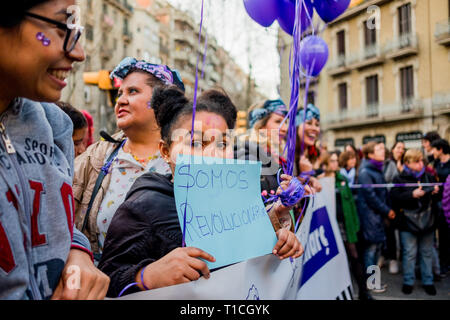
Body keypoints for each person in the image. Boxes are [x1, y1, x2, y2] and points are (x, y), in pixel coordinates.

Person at [98, 86, 304, 297]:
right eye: (196, 142)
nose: (212, 153)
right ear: (165, 151)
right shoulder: (142, 206)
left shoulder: (239, 200)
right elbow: (104, 280)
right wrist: (146, 276)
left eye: (223, 143)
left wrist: (277, 240)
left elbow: (249, 253)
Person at [0, 0, 109, 299]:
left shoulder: (54, 123)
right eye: (63, 28)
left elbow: (56, 224)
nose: (78, 53)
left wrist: (77, 251)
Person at [73, 57, 185, 262]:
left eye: (132, 91)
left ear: (164, 101)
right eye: (119, 93)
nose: (121, 101)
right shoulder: (96, 157)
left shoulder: (187, 157)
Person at [320, 152, 372, 300]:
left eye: (336, 161)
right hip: (329, 226)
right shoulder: (320, 181)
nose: (335, 163)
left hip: (345, 226)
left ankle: (364, 292)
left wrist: (355, 224)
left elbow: (350, 204)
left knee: (355, 257)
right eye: (332, 160)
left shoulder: (341, 179)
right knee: (335, 260)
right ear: (325, 163)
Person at [390, 149, 440, 295]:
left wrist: (435, 192)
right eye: (416, 161)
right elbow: (394, 197)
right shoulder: (399, 178)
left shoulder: (429, 176)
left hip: (428, 220)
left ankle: (428, 281)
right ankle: (408, 281)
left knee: (426, 252)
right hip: (407, 221)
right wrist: (412, 194)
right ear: (407, 163)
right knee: (409, 253)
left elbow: (437, 200)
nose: (420, 164)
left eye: (421, 161)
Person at [356, 141, 396, 294]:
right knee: (371, 252)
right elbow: (371, 197)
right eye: (378, 149)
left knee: (374, 251)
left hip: (376, 218)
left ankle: (373, 282)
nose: (383, 150)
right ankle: (372, 284)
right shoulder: (366, 172)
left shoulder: (375, 169)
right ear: (370, 154)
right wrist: (387, 210)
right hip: (370, 218)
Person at [235, 99, 288, 195]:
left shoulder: (278, 158)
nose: (285, 128)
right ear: (260, 126)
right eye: (278, 121)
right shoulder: (248, 159)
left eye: (286, 122)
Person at [381, 141, 406, 274]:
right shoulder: (388, 163)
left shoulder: (406, 162)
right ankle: (390, 259)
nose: (400, 150)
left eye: (402, 148)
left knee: (401, 234)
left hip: (403, 203)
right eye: (398, 147)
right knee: (389, 231)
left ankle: (396, 257)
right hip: (390, 202)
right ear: (393, 149)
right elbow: (384, 180)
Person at [431, 138, 450, 277]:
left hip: (449, 203)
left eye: (433, 149)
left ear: (440, 149)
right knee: (442, 236)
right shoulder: (436, 163)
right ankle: (444, 265)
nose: (432, 152)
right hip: (439, 203)